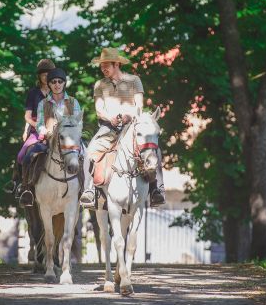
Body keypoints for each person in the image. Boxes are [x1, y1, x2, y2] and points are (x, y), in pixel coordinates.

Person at [80, 47, 165, 209]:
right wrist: (109, 118)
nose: (103, 68)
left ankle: (156, 190)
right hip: (108, 127)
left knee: (155, 151)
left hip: (131, 126)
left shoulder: (134, 80)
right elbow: (99, 109)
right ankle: (89, 190)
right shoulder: (100, 84)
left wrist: (129, 115)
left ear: (117, 64)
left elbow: (139, 106)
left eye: (106, 65)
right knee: (90, 151)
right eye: (101, 65)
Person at [19, 67, 82, 207]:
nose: (57, 84)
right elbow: (40, 123)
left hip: (70, 140)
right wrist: (45, 131)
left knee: (87, 155)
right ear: (49, 84)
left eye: (60, 81)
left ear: (64, 83)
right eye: (53, 82)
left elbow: (78, 122)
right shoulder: (43, 103)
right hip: (49, 140)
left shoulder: (73, 102)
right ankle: (26, 189)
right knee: (29, 154)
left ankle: (87, 190)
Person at [14, 59, 54, 201]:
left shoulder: (58, 91)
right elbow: (27, 116)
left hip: (55, 129)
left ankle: (82, 187)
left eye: (48, 74)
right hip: (37, 129)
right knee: (21, 155)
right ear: (39, 76)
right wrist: (35, 127)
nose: (46, 77)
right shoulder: (33, 93)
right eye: (43, 74)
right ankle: (22, 186)